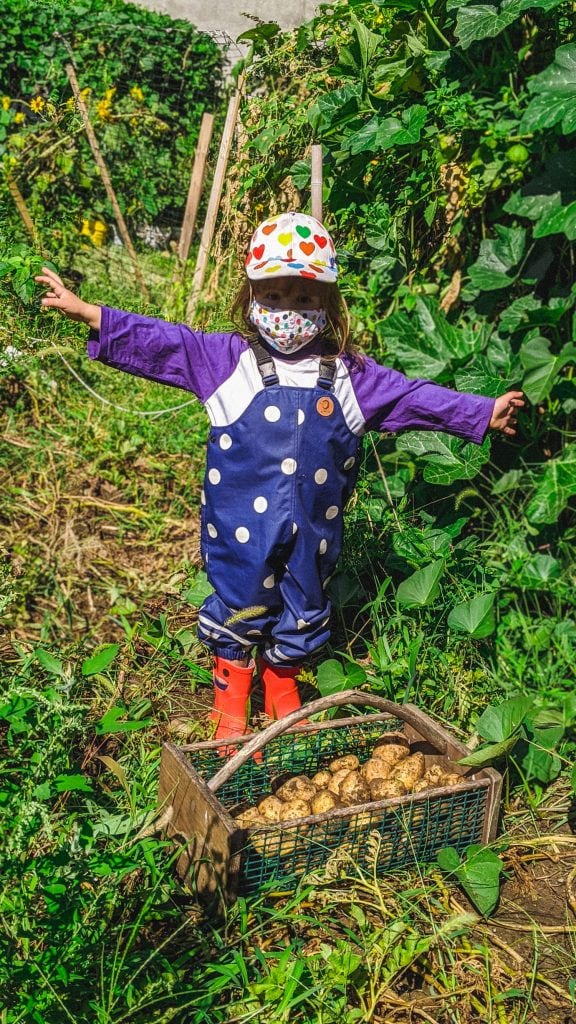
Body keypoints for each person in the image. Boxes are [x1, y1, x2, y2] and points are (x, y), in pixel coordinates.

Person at [35, 211, 524, 749]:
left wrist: (480, 411)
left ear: (328, 306)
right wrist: (90, 313)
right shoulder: (225, 362)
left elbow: (414, 398)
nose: (288, 313)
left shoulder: (350, 376)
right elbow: (163, 343)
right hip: (241, 526)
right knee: (242, 594)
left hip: (315, 530)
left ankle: (282, 683)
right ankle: (230, 690)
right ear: (250, 300)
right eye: (275, 298)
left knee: (306, 598)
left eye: (304, 300)